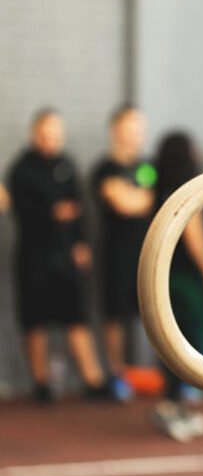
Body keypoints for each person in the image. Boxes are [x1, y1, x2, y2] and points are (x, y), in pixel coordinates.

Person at [7, 109, 108, 403]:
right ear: (35, 134)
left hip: (65, 254)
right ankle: (42, 382)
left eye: (56, 133)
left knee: (75, 315)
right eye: (46, 133)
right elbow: (23, 210)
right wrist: (52, 213)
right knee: (35, 318)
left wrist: (80, 244)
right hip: (33, 255)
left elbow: (78, 210)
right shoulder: (20, 169)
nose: (51, 139)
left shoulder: (67, 164)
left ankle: (93, 379)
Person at [149, 132, 203, 442]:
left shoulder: (162, 186)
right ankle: (171, 406)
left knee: (173, 341)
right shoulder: (184, 190)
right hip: (186, 278)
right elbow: (193, 235)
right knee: (183, 342)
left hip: (166, 275)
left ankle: (176, 405)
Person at [92, 105, 155, 402]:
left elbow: (148, 200)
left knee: (153, 311)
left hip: (148, 252)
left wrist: (138, 198)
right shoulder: (104, 169)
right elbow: (125, 204)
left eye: (139, 127)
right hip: (116, 254)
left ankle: (160, 374)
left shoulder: (147, 167)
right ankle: (117, 375)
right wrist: (137, 198)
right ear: (115, 130)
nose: (136, 134)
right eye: (130, 127)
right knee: (115, 315)